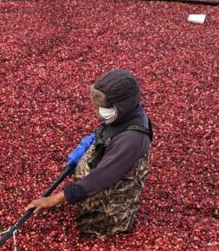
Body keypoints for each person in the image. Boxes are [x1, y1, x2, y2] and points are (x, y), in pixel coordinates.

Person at [27, 69, 154, 238]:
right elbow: (107, 132)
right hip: (101, 176)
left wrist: (54, 199)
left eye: (106, 107)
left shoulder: (132, 139)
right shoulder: (125, 115)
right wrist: (89, 145)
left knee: (98, 221)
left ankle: (102, 225)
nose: (100, 111)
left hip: (111, 202)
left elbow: (99, 178)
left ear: (122, 106)